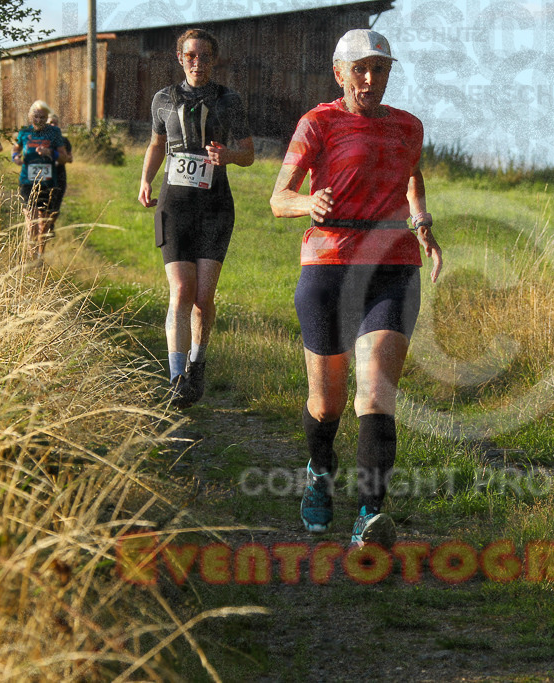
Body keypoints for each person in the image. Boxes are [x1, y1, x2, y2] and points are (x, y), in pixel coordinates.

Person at [270, 29, 442, 549]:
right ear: (339, 73)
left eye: (381, 69)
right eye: (361, 69)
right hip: (329, 265)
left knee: (376, 393)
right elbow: (279, 197)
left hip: (392, 267)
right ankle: (320, 473)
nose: (371, 79)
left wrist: (421, 221)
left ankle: (369, 517)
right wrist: (308, 204)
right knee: (327, 402)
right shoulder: (317, 123)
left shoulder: (408, 127)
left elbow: (411, 177)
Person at [138, 28, 254, 408]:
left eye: (204, 56)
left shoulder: (229, 100)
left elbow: (249, 152)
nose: (197, 63)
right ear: (180, 58)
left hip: (216, 207)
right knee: (181, 292)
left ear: (214, 60)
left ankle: (197, 364)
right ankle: (176, 379)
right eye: (191, 56)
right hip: (175, 205)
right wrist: (144, 181)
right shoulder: (162, 100)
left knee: (204, 298)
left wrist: (229, 157)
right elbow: (157, 144)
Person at [12, 101, 68, 260]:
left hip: (48, 183)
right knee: (32, 223)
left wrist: (50, 152)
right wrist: (15, 157)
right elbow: (16, 148)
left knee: (43, 225)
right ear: (30, 116)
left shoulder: (54, 132)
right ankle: (32, 259)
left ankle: (40, 255)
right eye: (35, 116)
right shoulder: (24, 132)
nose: (39, 120)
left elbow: (64, 158)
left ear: (46, 117)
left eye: (42, 117)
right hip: (27, 182)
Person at [45, 113, 73, 235]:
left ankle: (51, 224)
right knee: (45, 204)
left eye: (55, 123)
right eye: (50, 122)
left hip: (60, 174)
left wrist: (62, 157)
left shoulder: (64, 141)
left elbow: (70, 159)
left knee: (56, 206)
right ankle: (43, 228)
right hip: (45, 175)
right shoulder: (42, 140)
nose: (53, 125)